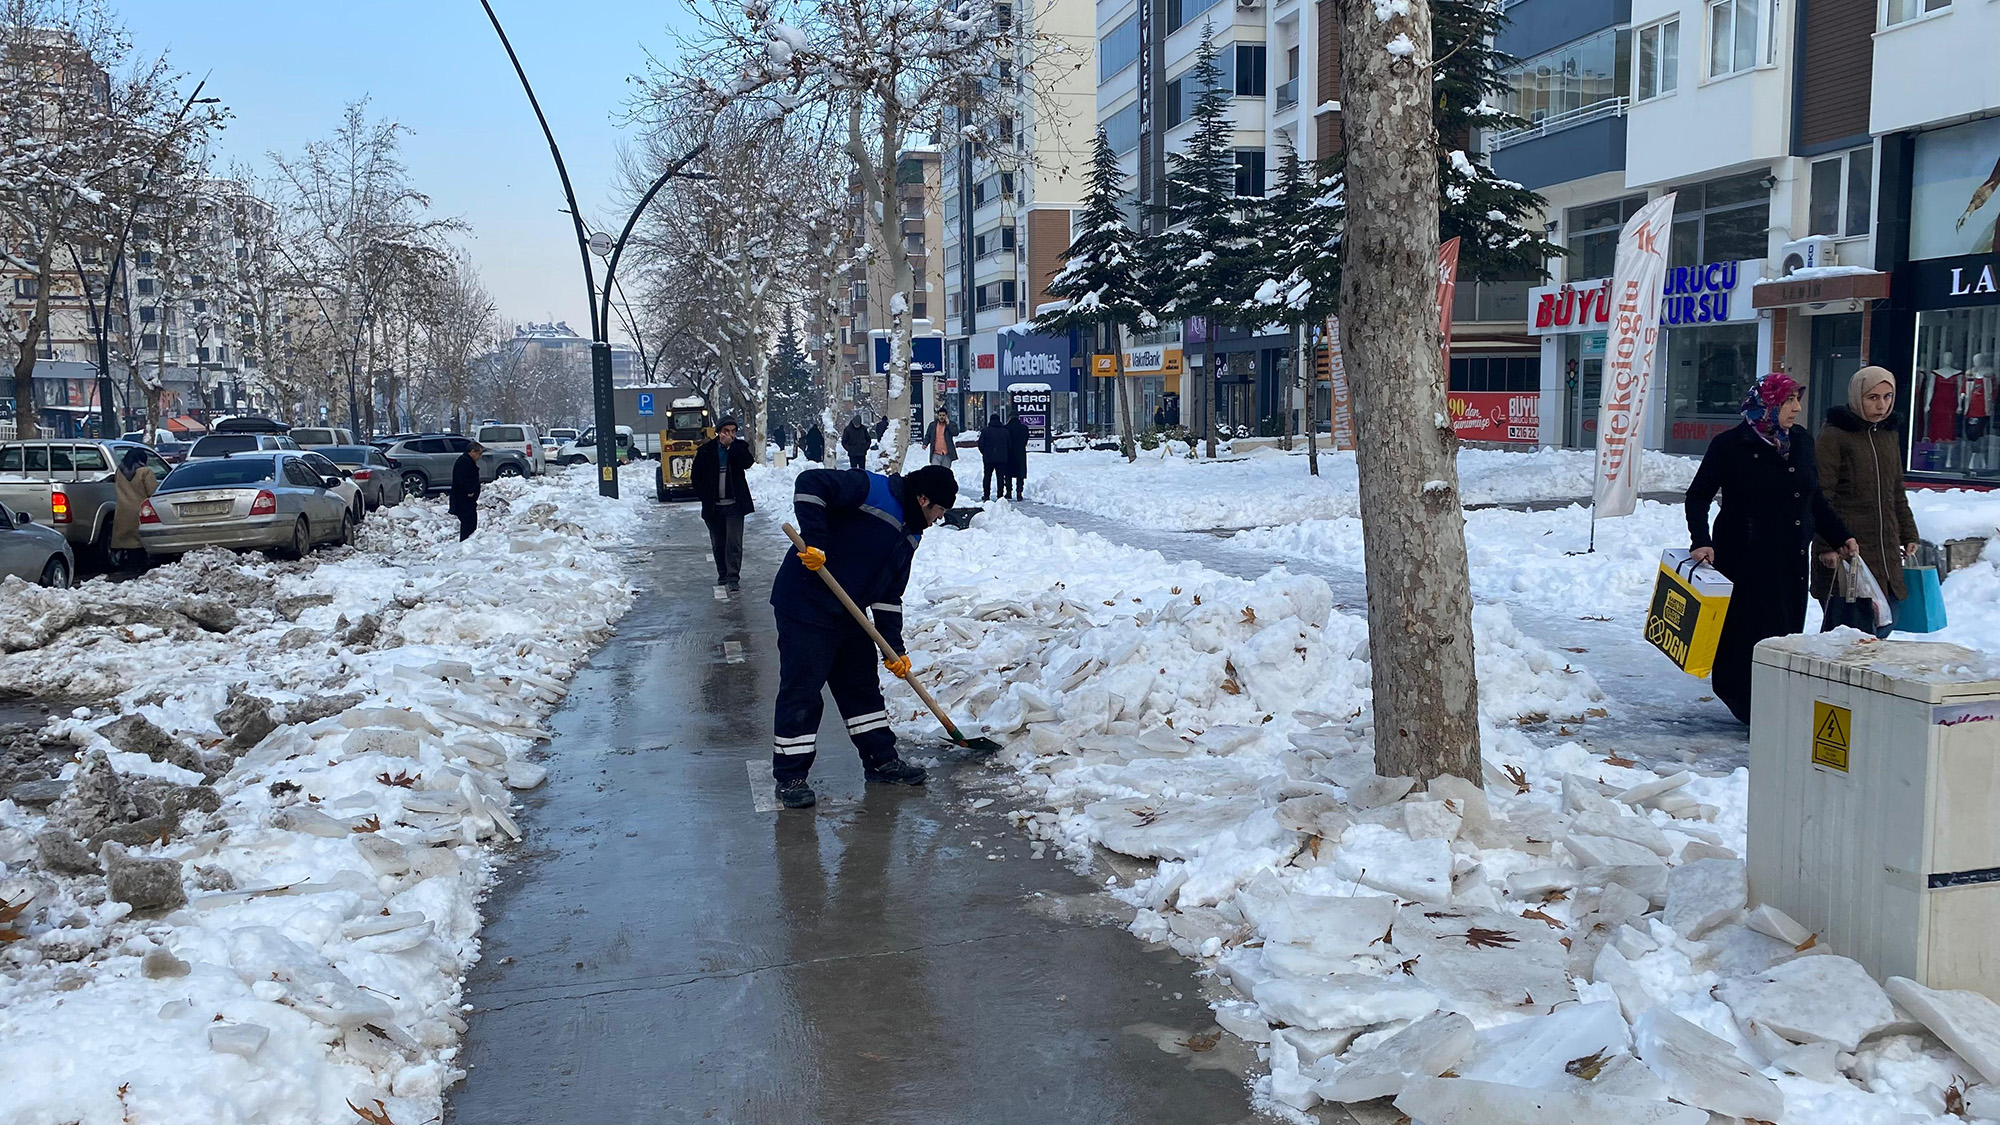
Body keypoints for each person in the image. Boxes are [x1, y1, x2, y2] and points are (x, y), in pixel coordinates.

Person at [768, 463, 960, 809]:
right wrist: (816, 541)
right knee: (803, 690)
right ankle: (790, 776)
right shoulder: (871, 489)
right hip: (806, 602)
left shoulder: (911, 535)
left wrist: (894, 649)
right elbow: (810, 484)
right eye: (939, 511)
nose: (938, 519)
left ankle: (880, 760)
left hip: (849, 612)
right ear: (923, 498)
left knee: (862, 690)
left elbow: (888, 595)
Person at [1687, 373, 1859, 724]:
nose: (1796, 408)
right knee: (1746, 634)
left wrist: (1840, 535)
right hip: (1745, 558)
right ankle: (1749, 705)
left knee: (1785, 635)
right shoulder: (1729, 445)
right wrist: (1701, 540)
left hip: (1791, 557)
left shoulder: (1801, 441)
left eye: (1797, 400)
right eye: (1788, 401)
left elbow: (1815, 499)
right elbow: (1698, 495)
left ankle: (1774, 704)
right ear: (1766, 404)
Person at [1814, 366, 1922, 638]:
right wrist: (1828, 545)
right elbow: (1820, 494)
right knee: (1852, 631)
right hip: (1848, 549)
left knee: (1886, 620)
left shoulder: (1888, 433)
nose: (1881, 405)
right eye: (1873, 397)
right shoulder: (1835, 435)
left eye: (1887, 397)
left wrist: (1908, 532)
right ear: (1857, 396)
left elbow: (1896, 489)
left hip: (1885, 548)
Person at [693, 415, 755, 591]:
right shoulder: (706, 451)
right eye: (726, 431)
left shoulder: (739, 447)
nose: (730, 435)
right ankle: (722, 573)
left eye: (733, 431)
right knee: (719, 543)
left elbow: (747, 462)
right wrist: (704, 496)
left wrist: (732, 446)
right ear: (718, 432)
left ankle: (733, 577)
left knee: (733, 543)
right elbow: (696, 476)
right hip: (714, 506)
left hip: (735, 505)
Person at [110, 447, 157, 569]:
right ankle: (140, 566)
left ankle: (127, 564)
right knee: (139, 542)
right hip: (141, 511)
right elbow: (152, 492)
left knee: (125, 541)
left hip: (122, 511)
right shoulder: (145, 472)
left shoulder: (119, 472)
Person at [449, 441, 484, 541]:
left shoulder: (467, 461)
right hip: (463, 499)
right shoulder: (464, 462)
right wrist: (470, 491)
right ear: (472, 451)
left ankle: (468, 542)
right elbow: (462, 479)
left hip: (467, 499)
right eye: (479, 453)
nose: (480, 456)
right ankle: (465, 543)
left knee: (471, 522)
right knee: (468, 523)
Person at [977, 413, 1009, 501]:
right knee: (1000, 477)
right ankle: (1000, 495)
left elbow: (980, 444)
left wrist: (985, 453)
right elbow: (1009, 445)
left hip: (988, 458)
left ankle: (986, 494)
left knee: (987, 476)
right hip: (1002, 458)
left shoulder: (985, 431)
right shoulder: (1005, 431)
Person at [1005, 412, 1031, 501]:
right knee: (1020, 474)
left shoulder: (1006, 428)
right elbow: (1026, 440)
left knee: (1008, 473)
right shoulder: (1024, 428)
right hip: (1020, 453)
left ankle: (1009, 492)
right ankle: (1019, 492)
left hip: (1009, 453)